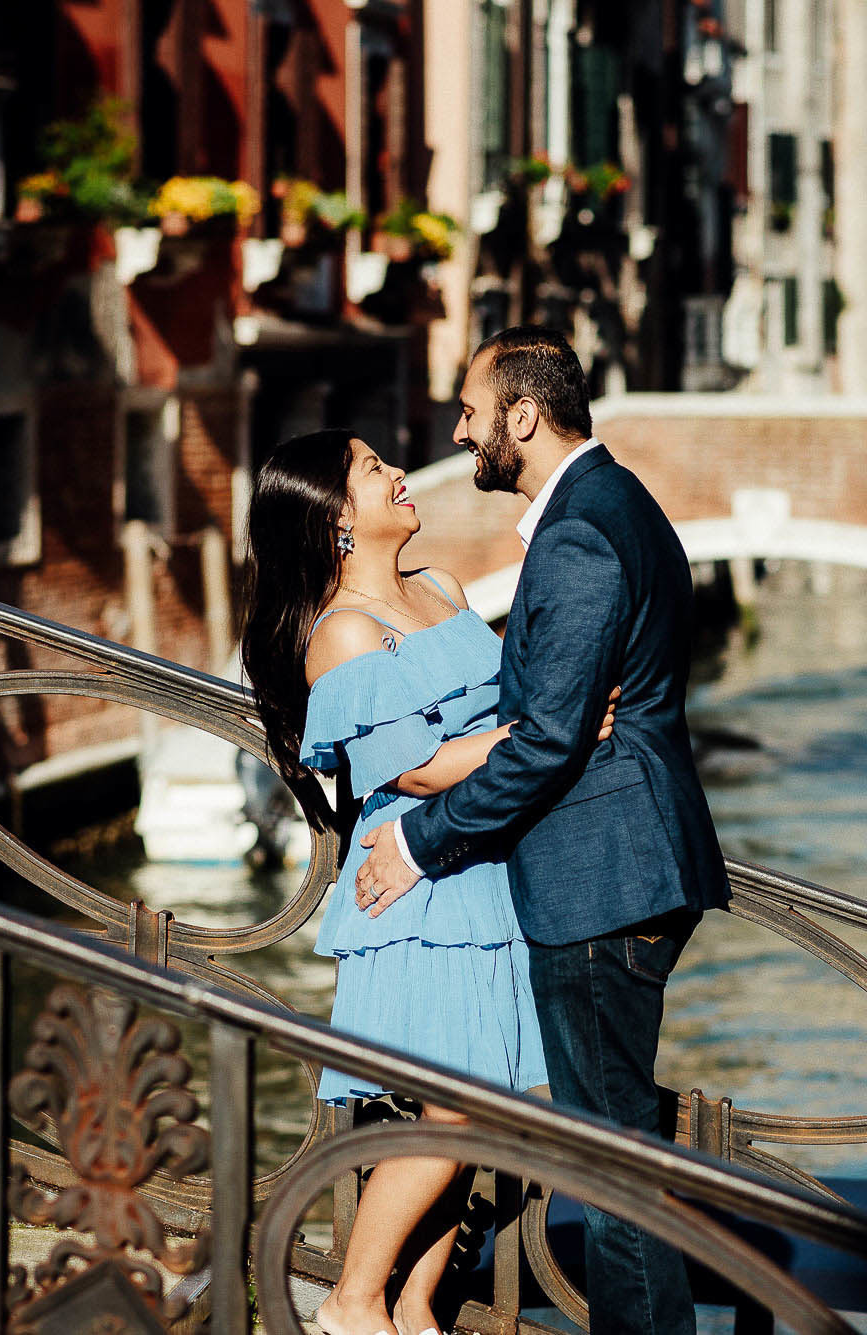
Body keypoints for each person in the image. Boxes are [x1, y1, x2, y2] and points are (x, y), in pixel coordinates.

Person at [352, 326, 731, 1335]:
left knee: (611, 1177)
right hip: (625, 865)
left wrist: (418, 841)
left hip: (601, 879)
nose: (459, 431)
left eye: (471, 412)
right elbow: (556, 724)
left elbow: (546, 745)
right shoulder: (616, 505)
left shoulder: (574, 536)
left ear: (523, 415)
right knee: (616, 1154)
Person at [239, 427, 616, 1335]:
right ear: (335, 517)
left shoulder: (442, 589)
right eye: (374, 470)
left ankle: (413, 1307)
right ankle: (350, 1301)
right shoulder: (342, 634)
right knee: (453, 1105)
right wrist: (547, 738)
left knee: (479, 1107)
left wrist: (545, 720)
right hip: (418, 884)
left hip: (488, 867)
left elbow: (513, 700)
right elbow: (411, 768)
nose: (400, 474)